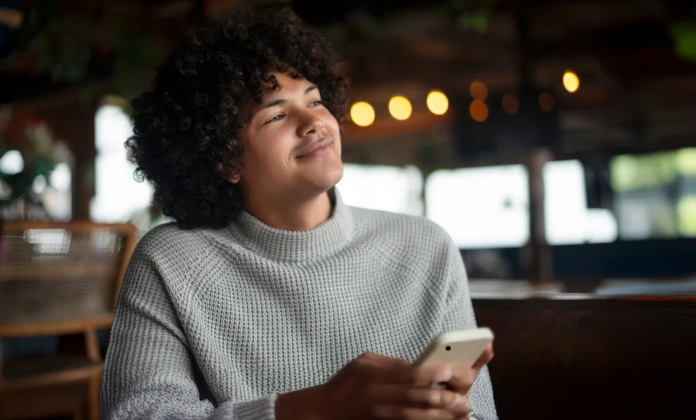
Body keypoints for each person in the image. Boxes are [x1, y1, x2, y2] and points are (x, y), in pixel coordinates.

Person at [102, 5, 497, 420]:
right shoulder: (170, 262)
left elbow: (481, 414)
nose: (313, 122)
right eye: (275, 115)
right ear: (224, 160)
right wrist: (322, 407)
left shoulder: (425, 247)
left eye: (315, 99)